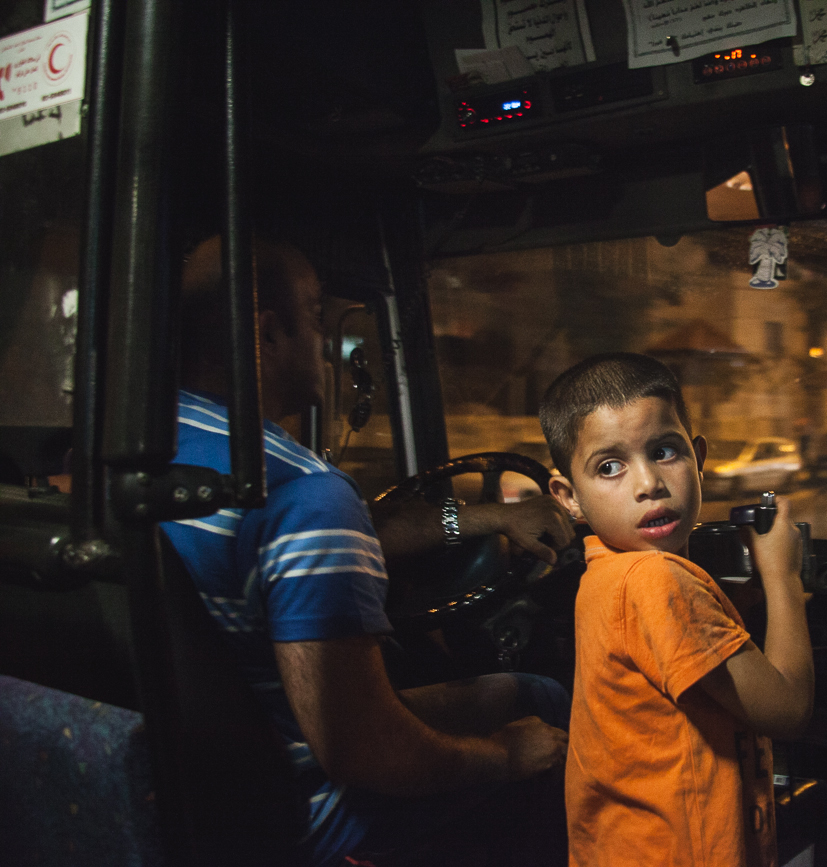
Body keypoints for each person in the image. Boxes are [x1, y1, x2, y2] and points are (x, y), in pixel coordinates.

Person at [164, 235, 574, 865]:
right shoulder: (301, 492)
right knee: (546, 740)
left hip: (196, 792)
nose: (325, 340)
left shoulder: (142, 455)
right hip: (299, 821)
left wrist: (486, 517)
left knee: (530, 693)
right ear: (267, 334)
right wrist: (505, 756)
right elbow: (365, 750)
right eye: (313, 315)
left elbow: (346, 536)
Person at [539, 353, 814, 867]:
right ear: (569, 497)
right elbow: (789, 711)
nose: (648, 483)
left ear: (698, 455)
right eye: (610, 467)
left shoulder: (608, 575)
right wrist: (784, 578)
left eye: (664, 451)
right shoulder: (656, 581)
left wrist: (744, 604)